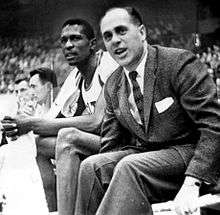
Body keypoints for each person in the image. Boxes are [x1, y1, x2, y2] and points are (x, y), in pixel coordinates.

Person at [74, 7, 220, 215]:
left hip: (189, 156)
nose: (115, 40)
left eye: (121, 31)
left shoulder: (178, 63)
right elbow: (111, 146)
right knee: (93, 167)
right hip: (146, 161)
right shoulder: (113, 84)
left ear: (142, 33)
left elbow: (214, 126)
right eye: (108, 36)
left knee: (129, 166)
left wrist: (192, 183)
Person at [2, 19, 118, 213]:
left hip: (120, 142)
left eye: (75, 38)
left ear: (92, 44)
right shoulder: (75, 77)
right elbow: (51, 118)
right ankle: (52, 208)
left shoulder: (107, 65)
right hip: (99, 143)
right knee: (38, 143)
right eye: (64, 40)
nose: (68, 45)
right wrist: (18, 124)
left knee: (68, 137)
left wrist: (30, 123)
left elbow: (97, 122)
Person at [0, 67, 57, 215]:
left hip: (51, 156)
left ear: (49, 87)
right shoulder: (33, 111)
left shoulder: (57, 108)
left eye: (33, 87)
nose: (30, 92)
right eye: (18, 91)